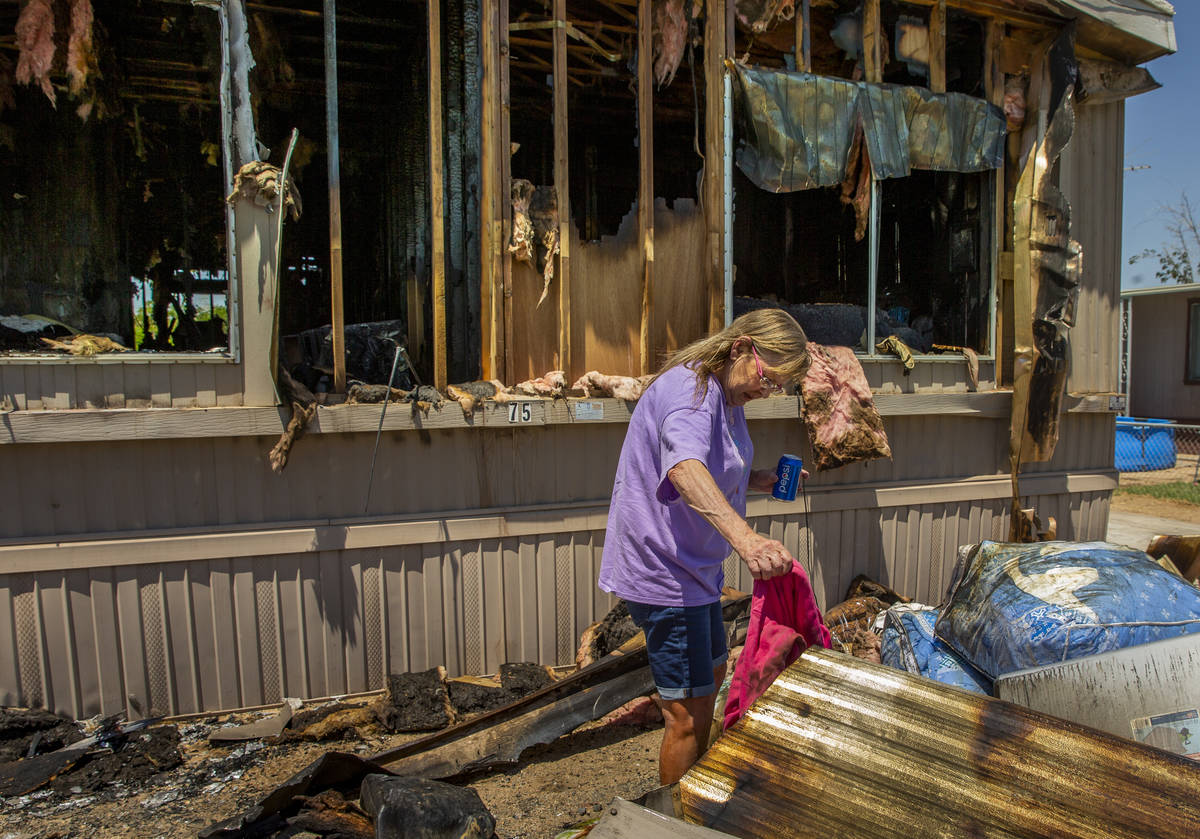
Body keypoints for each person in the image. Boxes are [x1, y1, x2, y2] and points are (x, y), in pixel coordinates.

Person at [598, 308, 811, 784]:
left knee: (708, 686)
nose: (767, 390)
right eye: (767, 376)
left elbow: (708, 468)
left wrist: (757, 481)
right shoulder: (690, 394)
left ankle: (695, 798)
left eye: (778, 386)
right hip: (667, 574)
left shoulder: (726, 396)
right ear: (741, 347)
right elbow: (685, 469)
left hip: (695, 573)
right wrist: (747, 540)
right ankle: (676, 822)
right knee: (687, 717)